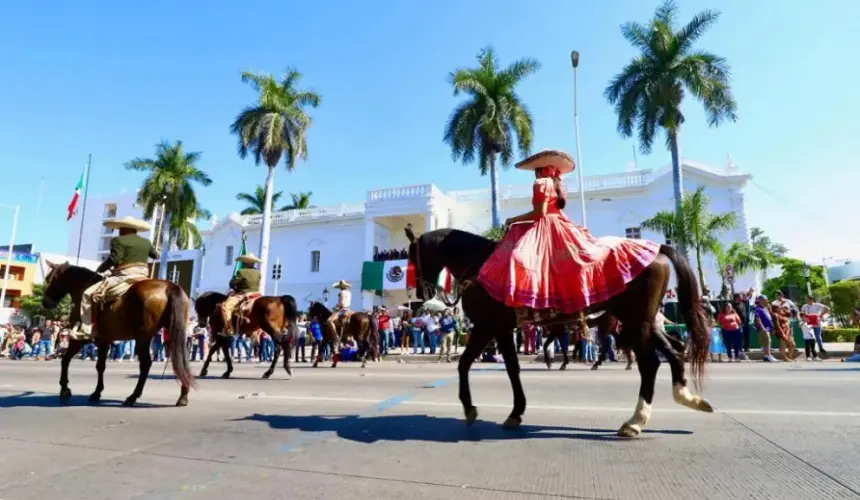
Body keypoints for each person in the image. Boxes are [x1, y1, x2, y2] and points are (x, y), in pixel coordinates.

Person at [476, 150, 660, 324]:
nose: (535, 174)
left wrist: (512, 219)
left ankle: (529, 308)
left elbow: (540, 213)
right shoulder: (557, 184)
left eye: (535, 170)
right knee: (563, 263)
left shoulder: (541, 183)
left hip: (547, 224)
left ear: (539, 170)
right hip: (560, 223)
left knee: (521, 258)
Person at [74, 216, 159, 340]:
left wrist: (100, 269)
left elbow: (115, 259)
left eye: (120, 228)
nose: (119, 230)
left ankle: (87, 329)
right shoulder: (146, 242)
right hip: (143, 275)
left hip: (125, 274)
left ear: (125, 229)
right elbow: (155, 255)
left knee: (87, 294)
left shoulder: (118, 240)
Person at [222, 254, 262, 332]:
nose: (242, 263)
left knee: (225, 306)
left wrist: (233, 283)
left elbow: (234, 283)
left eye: (243, 262)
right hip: (257, 294)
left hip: (244, 294)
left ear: (246, 263)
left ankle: (229, 329)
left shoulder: (241, 271)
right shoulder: (258, 272)